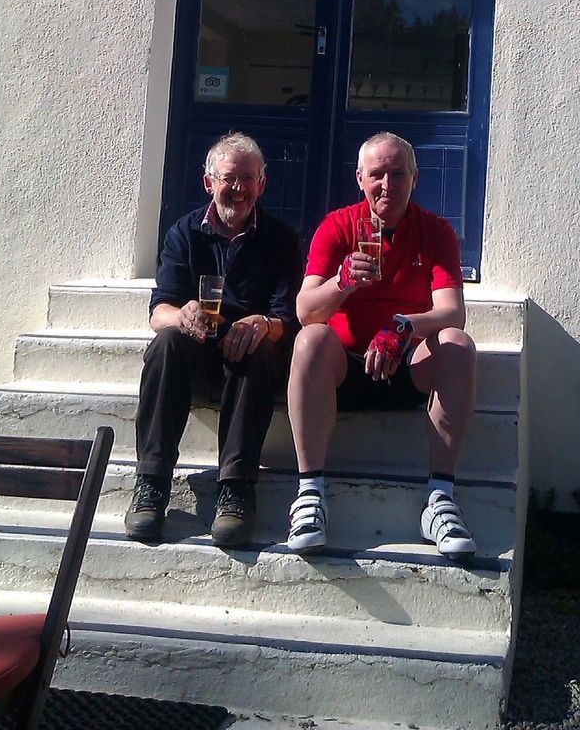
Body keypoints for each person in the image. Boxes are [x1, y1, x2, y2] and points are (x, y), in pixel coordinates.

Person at [286, 131, 478, 558]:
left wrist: (405, 325)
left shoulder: (436, 231)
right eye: (377, 174)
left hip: (406, 364)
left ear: (415, 178)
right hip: (347, 368)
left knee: (457, 343)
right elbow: (305, 310)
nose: (387, 185)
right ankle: (310, 494)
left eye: (398, 174)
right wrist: (342, 282)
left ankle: (441, 498)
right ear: (360, 178)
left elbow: (452, 311)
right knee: (310, 339)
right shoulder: (338, 225)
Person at [125, 132, 302, 547]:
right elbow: (158, 311)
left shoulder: (281, 238)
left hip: (250, 364)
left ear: (262, 184)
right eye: (228, 178)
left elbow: (289, 319)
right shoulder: (184, 233)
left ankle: (236, 489)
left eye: (247, 178)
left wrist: (263, 324)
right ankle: (151, 481)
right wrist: (181, 315)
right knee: (165, 344)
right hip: (198, 355)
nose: (238, 188)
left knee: (259, 350)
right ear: (209, 183)